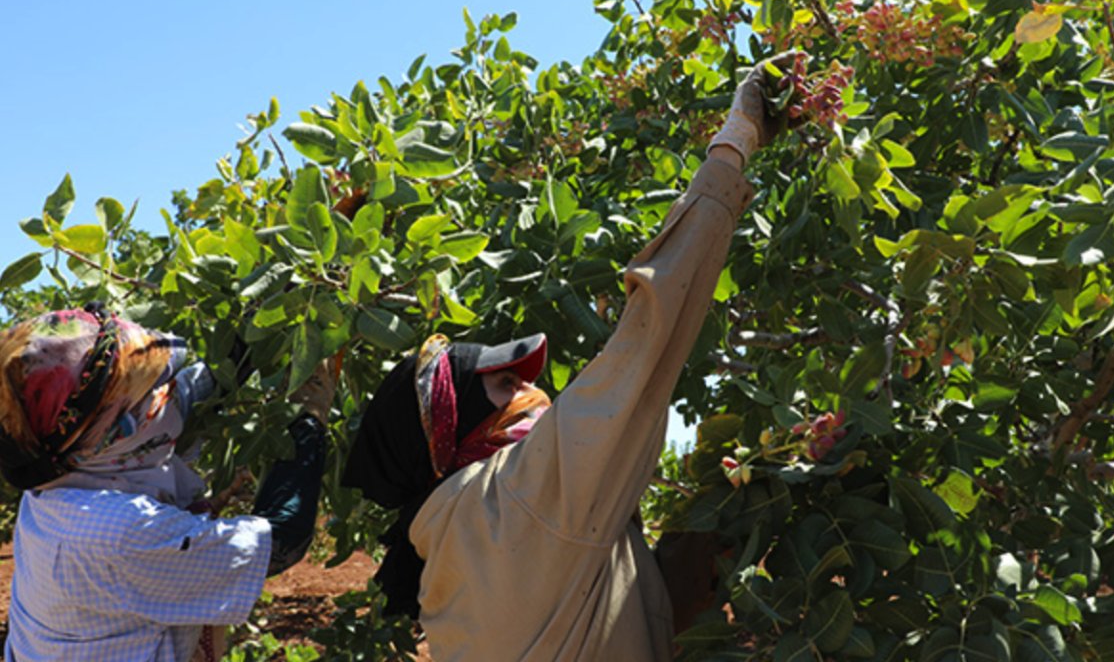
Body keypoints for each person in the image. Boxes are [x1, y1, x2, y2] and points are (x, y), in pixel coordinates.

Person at [342, 52, 798, 660]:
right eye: (503, 387)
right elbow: (647, 340)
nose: (533, 394)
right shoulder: (513, 501)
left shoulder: (450, 552)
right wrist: (735, 141)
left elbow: (602, 611)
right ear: (446, 435)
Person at [0, 304, 333, 661]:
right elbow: (283, 537)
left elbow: (194, 391)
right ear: (114, 430)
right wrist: (309, 423)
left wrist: (268, 311)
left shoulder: (62, 468)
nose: (165, 395)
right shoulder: (116, 532)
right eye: (148, 392)